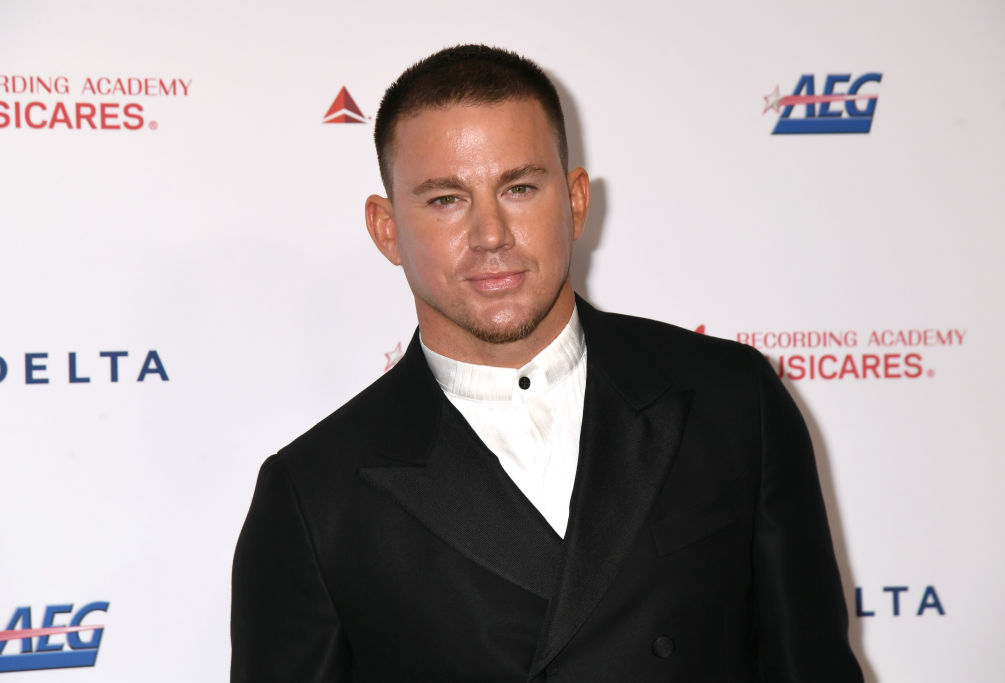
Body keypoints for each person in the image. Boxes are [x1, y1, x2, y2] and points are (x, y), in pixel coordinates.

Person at [231, 44, 864, 682]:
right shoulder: (315, 496)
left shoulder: (732, 401)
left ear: (576, 202)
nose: (491, 235)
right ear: (386, 229)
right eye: (447, 199)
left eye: (520, 188)